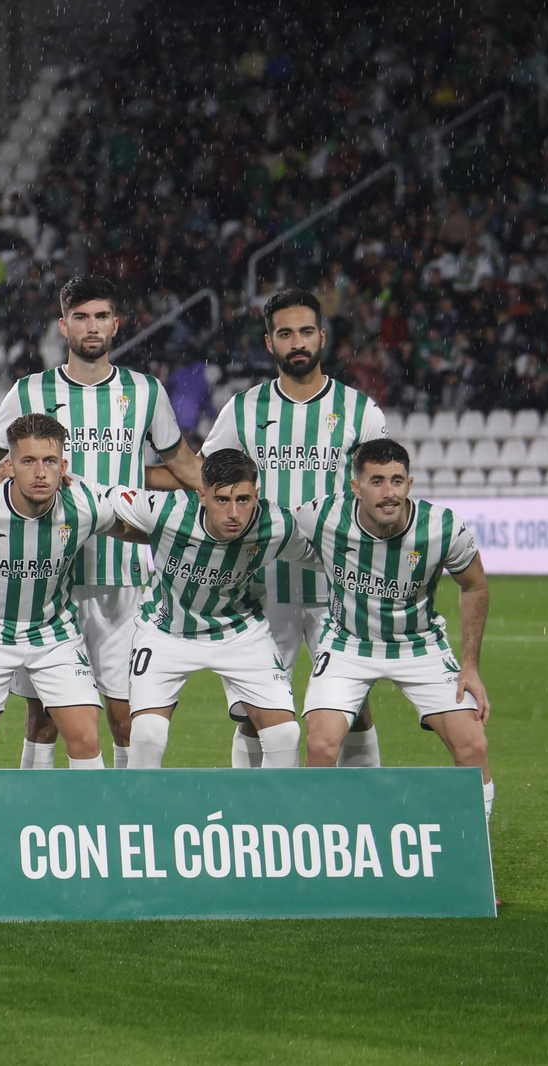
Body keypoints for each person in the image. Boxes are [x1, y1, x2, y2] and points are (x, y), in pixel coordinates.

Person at [0, 275, 202, 770]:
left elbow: (183, 464)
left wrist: (221, 495)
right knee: (42, 711)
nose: (92, 326)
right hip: (44, 573)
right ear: (63, 326)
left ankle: (121, 818)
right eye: (80, 316)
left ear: (116, 324)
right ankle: (34, 810)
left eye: (101, 316)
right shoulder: (29, 390)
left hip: (119, 571)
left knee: (123, 710)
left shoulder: (144, 392)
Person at [198, 287, 389, 769]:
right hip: (261, 588)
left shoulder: (359, 411)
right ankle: (252, 817)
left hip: (338, 587)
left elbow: (382, 488)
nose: (297, 341)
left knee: (353, 709)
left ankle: (355, 812)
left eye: (306, 331)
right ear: (269, 343)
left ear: (322, 337)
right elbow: (205, 478)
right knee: (253, 713)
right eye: (285, 333)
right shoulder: (242, 410)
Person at [0, 414, 136, 769]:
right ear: (10, 466)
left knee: (85, 738)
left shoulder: (85, 505)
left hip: (55, 634)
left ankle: (85, 821)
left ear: (63, 465)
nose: (39, 472)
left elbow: (134, 527)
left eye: (49, 461)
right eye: (28, 461)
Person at [296, 440, 495, 816]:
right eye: (376, 481)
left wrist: (470, 666)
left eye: (397, 480)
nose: (389, 493)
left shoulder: (442, 527)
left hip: (420, 646)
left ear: (410, 483)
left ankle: (471, 847)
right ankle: (320, 838)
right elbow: (273, 530)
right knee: (321, 745)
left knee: (473, 746)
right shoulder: (323, 516)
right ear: (355, 487)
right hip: (347, 645)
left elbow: (475, 584)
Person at [112, 450, 312, 769]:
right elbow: (100, 498)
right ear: (201, 495)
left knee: (285, 735)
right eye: (222, 500)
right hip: (166, 632)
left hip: (240, 633)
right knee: (148, 734)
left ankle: (271, 815)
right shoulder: (166, 510)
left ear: (257, 495)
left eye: (244, 500)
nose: (234, 512)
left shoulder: (277, 524)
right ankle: (142, 815)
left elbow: (315, 556)